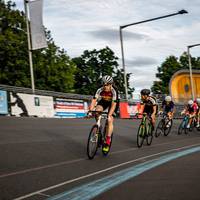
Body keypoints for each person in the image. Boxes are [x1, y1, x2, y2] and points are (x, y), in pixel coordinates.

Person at [88, 75, 118, 153]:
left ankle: (108, 140)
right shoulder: (99, 89)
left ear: (111, 84)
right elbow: (94, 100)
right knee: (97, 111)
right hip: (103, 102)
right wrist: (91, 110)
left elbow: (114, 105)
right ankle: (98, 126)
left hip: (112, 104)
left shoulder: (114, 91)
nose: (105, 86)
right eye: (104, 84)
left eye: (107, 85)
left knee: (110, 120)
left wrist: (109, 115)